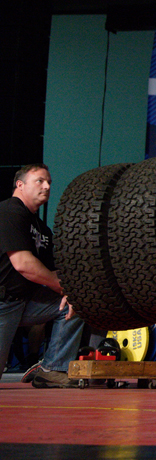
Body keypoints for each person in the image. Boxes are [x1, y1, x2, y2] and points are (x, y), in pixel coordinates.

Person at [0, 164, 86, 388]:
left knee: (75, 304)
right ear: (20, 185)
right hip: (3, 302)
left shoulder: (42, 229)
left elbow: (55, 270)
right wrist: (61, 287)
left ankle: (52, 369)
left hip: (26, 303)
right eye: (40, 181)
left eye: (49, 182)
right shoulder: (9, 211)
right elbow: (23, 264)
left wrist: (71, 290)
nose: (47, 186)